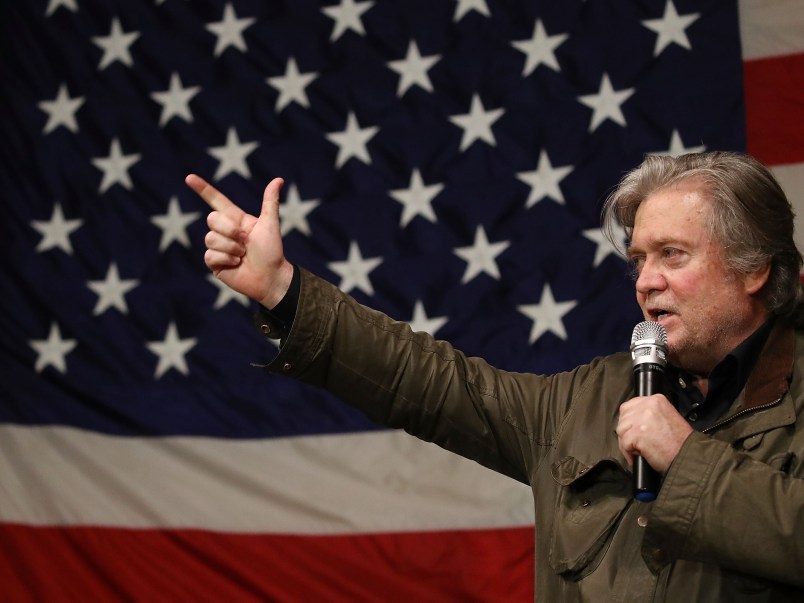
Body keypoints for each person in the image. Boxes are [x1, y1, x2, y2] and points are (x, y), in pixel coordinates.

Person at [185, 151, 804, 601]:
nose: (645, 281)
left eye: (673, 255)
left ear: (753, 269)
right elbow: (430, 381)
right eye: (638, 259)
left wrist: (686, 459)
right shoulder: (586, 402)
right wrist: (281, 290)